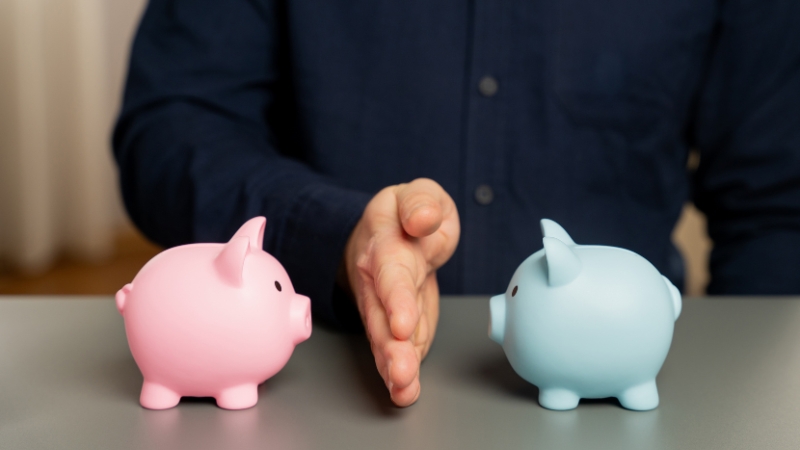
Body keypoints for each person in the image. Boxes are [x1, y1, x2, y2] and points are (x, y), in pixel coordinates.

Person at [113, 0, 800, 407]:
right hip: (308, 386)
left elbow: (777, 206)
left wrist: (747, 413)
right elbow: (170, 125)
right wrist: (338, 231)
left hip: (644, 393)